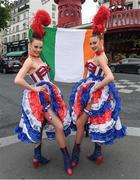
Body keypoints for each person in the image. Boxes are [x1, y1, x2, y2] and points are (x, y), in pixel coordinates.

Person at [14, 10, 73, 176]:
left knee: (40, 127)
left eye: (40, 47)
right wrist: (34, 88)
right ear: (29, 46)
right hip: (41, 99)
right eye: (35, 47)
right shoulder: (29, 61)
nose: (38, 50)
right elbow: (18, 79)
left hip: (51, 96)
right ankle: (66, 159)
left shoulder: (40, 58)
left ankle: (36, 156)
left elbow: (47, 77)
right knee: (59, 126)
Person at [69, 6, 126, 168]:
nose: (92, 45)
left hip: (96, 96)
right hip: (94, 93)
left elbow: (110, 76)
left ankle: (76, 155)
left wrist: (94, 88)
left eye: (95, 43)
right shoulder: (97, 54)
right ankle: (97, 153)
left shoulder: (101, 57)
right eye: (91, 43)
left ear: (101, 41)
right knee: (96, 122)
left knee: (81, 124)